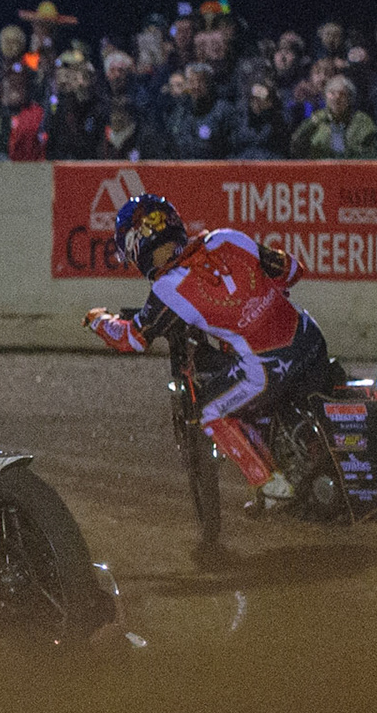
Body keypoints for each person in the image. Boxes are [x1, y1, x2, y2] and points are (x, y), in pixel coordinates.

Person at [84, 194, 329, 509]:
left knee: (210, 412)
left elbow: (131, 339)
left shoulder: (168, 289)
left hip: (268, 370)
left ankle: (271, 486)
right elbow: (292, 271)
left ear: (135, 246)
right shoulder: (227, 238)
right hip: (310, 338)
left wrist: (98, 321)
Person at [290, 75, 377, 159]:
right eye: (332, 93)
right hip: (320, 170)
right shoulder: (317, 119)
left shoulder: (362, 121)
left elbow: (371, 153)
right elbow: (296, 147)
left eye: (342, 94)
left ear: (349, 99)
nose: (336, 98)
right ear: (325, 97)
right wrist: (311, 125)